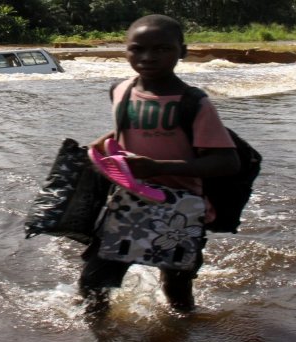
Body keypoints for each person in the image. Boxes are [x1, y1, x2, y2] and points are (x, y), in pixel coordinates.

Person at [78, 14, 240, 314]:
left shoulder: (194, 103)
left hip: (180, 208)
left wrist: (159, 167)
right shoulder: (120, 90)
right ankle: (100, 338)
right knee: (93, 282)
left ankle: (182, 338)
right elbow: (130, 127)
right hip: (128, 202)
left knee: (176, 291)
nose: (147, 57)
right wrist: (103, 142)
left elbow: (227, 162)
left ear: (183, 51)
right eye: (137, 49)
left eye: (162, 49)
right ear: (125, 50)